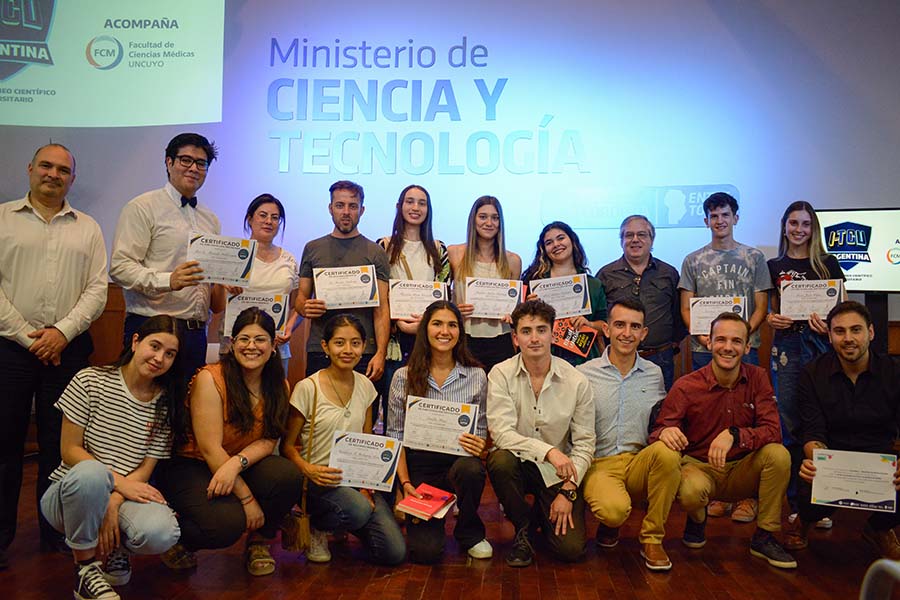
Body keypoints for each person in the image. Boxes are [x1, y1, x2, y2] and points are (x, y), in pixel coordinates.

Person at [0, 143, 108, 568]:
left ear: (72, 179)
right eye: (46, 165)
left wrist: (61, 333)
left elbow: (98, 289)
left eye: (63, 169)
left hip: (67, 349)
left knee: (58, 447)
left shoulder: (88, 227)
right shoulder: (2, 218)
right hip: (10, 348)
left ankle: (55, 533)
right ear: (29, 169)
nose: (53, 174)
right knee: (4, 446)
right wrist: (31, 340)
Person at [40, 315, 184, 600]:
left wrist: (114, 502)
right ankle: (85, 570)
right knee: (92, 474)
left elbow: (146, 467)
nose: (159, 358)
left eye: (170, 354)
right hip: (70, 491)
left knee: (164, 531)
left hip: (124, 495)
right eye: (154, 346)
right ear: (135, 341)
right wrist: (115, 483)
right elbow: (69, 451)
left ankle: (117, 548)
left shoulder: (165, 402)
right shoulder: (90, 380)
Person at [157, 308, 300, 576]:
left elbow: (269, 439)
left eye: (260, 340)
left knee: (287, 476)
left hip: (236, 462)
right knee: (226, 525)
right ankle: (178, 540)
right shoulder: (210, 378)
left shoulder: (279, 384)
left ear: (272, 346)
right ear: (232, 344)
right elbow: (211, 449)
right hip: (194, 464)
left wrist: (237, 463)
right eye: (244, 339)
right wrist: (247, 499)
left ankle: (258, 542)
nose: (251, 347)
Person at [649, 312, 796, 569]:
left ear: (747, 346)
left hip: (742, 468)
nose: (728, 347)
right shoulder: (686, 385)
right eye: (721, 340)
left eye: (736, 341)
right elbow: (660, 428)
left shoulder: (759, 378)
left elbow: (773, 431)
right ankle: (697, 518)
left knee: (779, 454)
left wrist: (735, 434)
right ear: (709, 342)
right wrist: (665, 431)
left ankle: (764, 536)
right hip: (700, 467)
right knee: (691, 491)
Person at [281, 314, 406, 565]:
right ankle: (319, 525)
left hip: (354, 480)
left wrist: (365, 485)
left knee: (394, 553)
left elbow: (367, 439)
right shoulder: (308, 388)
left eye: (355, 343)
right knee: (359, 510)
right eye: (339, 343)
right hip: (319, 479)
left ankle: (346, 520)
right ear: (326, 347)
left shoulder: (366, 387)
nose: (348, 350)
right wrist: (309, 469)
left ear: (364, 346)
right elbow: (286, 446)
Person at [678, 192, 771, 522]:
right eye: (714, 216)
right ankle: (719, 491)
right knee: (709, 420)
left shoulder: (754, 257)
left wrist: (743, 337)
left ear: (736, 217)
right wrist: (702, 335)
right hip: (705, 351)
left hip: (744, 349)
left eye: (725, 214)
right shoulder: (692, 260)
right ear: (706, 221)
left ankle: (746, 496)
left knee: (745, 419)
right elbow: (686, 307)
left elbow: (761, 306)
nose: (720, 220)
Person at [783, 301, 900, 559]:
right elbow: (813, 431)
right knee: (805, 472)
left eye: (856, 330)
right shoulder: (812, 374)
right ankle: (804, 520)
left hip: (880, 460)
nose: (848, 338)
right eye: (839, 331)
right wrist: (814, 458)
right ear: (830, 335)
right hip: (832, 458)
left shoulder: (894, 372)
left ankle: (880, 528)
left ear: (870, 332)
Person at [486, 299, 595, 567]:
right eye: (526, 331)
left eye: (541, 330)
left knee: (570, 550)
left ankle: (537, 517)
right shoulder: (500, 374)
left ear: (552, 333)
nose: (534, 338)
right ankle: (523, 529)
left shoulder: (577, 381)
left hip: (557, 473)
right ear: (515, 338)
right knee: (499, 459)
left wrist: (569, 490)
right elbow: (501, 433)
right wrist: (548, 451)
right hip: (518, 464)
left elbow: (585, 445)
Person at [110, 133, 223, 382]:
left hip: (195, 333)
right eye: (186, 160)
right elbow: (120, 267)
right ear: (168, 162)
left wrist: (225, 283)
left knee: (184, 410)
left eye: (201, 163)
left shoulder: (211, 219)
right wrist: (168, 280)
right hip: (152, 326)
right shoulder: (142, 207)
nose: (194, 168)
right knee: (141, 407)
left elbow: (208, 282)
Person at [577, 299, 680, 571]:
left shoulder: (654, 373)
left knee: (668, 454)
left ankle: (653, 539)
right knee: (613, 511)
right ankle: (612, 525)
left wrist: (667, 429)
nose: (627, 333)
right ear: (607, 329)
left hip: (638, 460)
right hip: (600, 464)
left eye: (635, 326)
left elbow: (660, 420)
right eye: (620, 325)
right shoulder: (582, 374)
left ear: (644, 333)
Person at [386, 301, 491, 563]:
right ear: (425, 330)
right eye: (437, 323)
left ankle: (468, 531)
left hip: (459, 462)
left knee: (471, 470)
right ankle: (434, 518)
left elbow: (480, 432)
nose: (445, 331)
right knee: (426, 553)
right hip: (421, 468)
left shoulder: (477, 376)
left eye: (452, 325)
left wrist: (481, 445)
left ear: (460, 332)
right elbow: (395, 436)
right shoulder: (403, 377)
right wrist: (406, 484)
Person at [766, 201, 845, 522]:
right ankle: (798, 504)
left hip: (821, 346)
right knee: (789, 425)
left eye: (805, 224)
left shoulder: (828, 264)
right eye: (793, 223)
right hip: (786, 347)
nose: (799, 229)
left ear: (814, 229)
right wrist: (772, 319)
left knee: (822, 421)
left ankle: (824, 502)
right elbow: (768, 309)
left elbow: (844, 310)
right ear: (784, 226)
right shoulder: (773, 265)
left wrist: (829, 326)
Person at [295, 180, 390, 386]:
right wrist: (306, 307)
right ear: (330, 208)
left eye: (352, 206)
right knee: (318, 414)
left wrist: (380, 353)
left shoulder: (376, 252)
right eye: (340, 205)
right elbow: (301, 299)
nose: (346, 212)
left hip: (363, 351)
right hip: (321, 348)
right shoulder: (312, 248)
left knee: (364, 416)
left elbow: (381, 309)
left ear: (362, 210)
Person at [376, 184, 451, 430]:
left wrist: (425, 324)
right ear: (399, 206)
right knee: (393, 411)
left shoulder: (439, 250)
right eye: (410, 201)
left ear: (428, 209)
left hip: (428, 341)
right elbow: (378, 297)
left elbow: (444, 294)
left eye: (422, 203)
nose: (415, 208)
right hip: (393, 343)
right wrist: (397, 324)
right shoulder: (383, 246)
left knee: (426, 412)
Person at [215, 194, 300, 374]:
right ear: (250, 219)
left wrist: (290, 327)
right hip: (236, 344)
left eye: (275, 217)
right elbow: (216, 305)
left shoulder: (289, 259)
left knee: (274, 399)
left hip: (276, 346)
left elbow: (296, 304)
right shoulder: (232, 255)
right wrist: (224, 287)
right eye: (263, 215)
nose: (269, 221)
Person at [597, 215, 684, 389]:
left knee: (659, 411)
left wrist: (671, 345)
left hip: (660, 358)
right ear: (621, 240)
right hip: (617, 359)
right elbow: (599, 317)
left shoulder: (669, 273)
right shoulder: (606, 275)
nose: (635, 240)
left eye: (642, 235)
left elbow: (678, 314)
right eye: (629, 235)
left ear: (652, 239)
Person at [448, 196, 522, 373]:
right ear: (473, 219)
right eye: (483, 216)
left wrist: (513, 313)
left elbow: (516, 306)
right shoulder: (454, 253)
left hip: (501, 340)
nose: (489, 223)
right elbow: (442, 297)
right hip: (464, 337)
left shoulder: (513, 260)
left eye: (495, 218)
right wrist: (454, 310)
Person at [522, 221, 607, 366]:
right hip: (546, 357)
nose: (556, 244)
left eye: (561, 238)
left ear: (572, 241)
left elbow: (604, 325)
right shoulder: (534, 283)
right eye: (549, 242)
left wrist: (589, 323)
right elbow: (521, 325)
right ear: (544, 250)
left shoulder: (593, 284)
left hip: (584, 358)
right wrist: (528, 310)